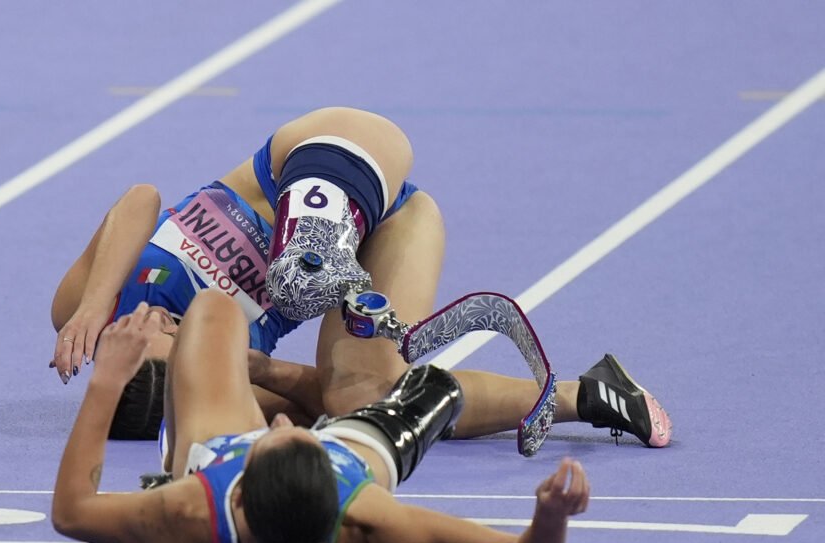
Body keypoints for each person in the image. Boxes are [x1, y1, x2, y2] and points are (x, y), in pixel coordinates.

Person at [49, 107, 671, 449]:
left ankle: (318, 254)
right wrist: (262, 370)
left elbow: (139, 198)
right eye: (176, 340)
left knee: (297, 276)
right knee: (366, 400)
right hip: (396, 226)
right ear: (187, 378)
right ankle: (582, 394)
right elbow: (320, 399)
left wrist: (91, 308)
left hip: (318, 153)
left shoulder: (88, 313)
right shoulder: (228, 384)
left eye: (146, 325)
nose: (158, 319)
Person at [51, 292, 591, 543]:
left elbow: (72, 513)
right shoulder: (368, 517)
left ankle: (178, 453)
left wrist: (108, 381)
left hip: (208, 456)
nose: (281, 424)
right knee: (433, 391)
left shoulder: (191, 509)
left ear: (238, 490)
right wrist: (551, 515)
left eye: (271, 436)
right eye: (305, 437)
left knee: (212, 308)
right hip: (342, 467)